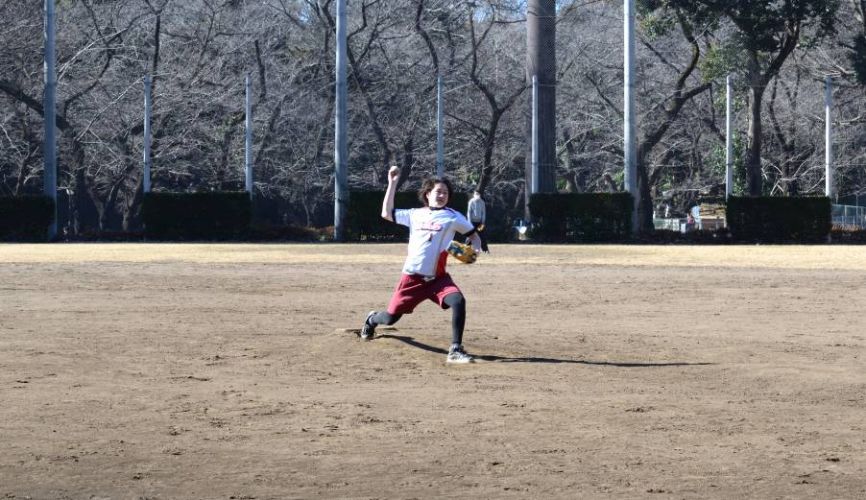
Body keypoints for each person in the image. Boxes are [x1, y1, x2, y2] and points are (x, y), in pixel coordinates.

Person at [360, 166, 483, 364]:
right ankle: (372, 319)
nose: (442, 195)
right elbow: (386, 213)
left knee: (458, 301)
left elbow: (475, 237)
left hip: (438, 279)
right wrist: (392, 183)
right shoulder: (415, 214)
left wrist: (475, 250)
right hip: (411, 279)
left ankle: (455, 349)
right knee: (390, 318)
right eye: (438, 191)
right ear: (428, 194)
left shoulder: (453, 217)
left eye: (445, 192)